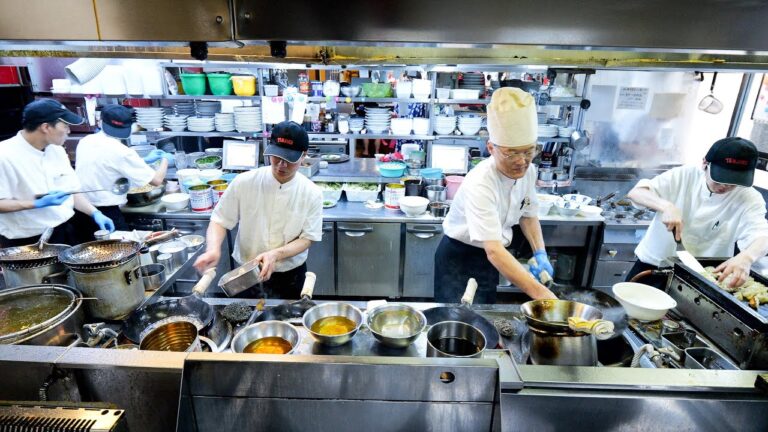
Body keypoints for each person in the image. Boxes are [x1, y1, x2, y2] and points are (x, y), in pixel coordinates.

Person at [434, 88, 557, 303]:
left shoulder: (529, 171)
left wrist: (540, 253)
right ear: (491, 148)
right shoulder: (481, 181)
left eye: (529, 151)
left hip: (494, 258)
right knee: (456, 318)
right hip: (460, 258)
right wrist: (543, 296)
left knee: (485, 315)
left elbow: (528, 214)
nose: (522, 161)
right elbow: (493, 250)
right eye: (512, 153)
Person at [194, 121, 323, 298]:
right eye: (276, 156)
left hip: (290, 274)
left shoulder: (311, 193)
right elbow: (219, 220)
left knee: (289, 316)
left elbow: (308, 238)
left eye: (289, 159)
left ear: (303, 155)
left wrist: (275, 254)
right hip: (247, 272)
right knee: (245, 315)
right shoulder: (244, 182)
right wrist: (213, 249)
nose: (281, 165)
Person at [626, 137, 768, 289]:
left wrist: (746, 257)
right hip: (653, 266)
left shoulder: (749, 198)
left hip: (704, 277)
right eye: (719, 179)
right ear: (705, 163)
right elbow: (637, 193)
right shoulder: (685, 175)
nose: (725, 186)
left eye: (733, 183)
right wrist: (666, 206)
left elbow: (762, 236)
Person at [0, 99, 115, 248]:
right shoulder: (4, 155)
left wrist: (95, 213)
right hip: (27, 241)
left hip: (64, 230)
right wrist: (35, 204)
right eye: (65, 126)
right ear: (46, 127)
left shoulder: (57, 150)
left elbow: (71, 191)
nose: (69, 131)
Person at [74, 104, 172, 239]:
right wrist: (165, 160)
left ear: (100, 121)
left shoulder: (85, 141)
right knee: (119, 251)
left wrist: (143, 160)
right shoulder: (122, 151)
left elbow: (108, 164)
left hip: (81, 209)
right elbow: (157, 180)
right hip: (107, 213)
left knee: (90, 250)